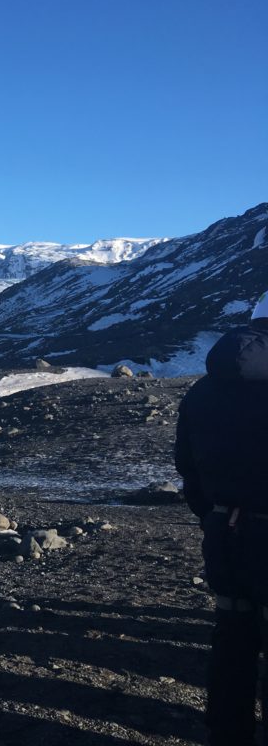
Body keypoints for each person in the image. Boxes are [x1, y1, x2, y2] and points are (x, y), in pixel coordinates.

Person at [175, 293, 268, 746]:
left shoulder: (203, 389)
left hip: (224, 533)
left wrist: (216, 516)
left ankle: (226, 736)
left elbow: (187, 467)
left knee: (232, 640)